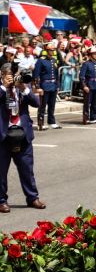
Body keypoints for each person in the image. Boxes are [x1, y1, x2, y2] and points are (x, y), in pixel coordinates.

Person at [0, 66, 46, 213]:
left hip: (23, 134)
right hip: (3, 135)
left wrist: (23, 87)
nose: (13, 78)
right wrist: (4, 87)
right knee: (1, 171)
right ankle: (1, 201)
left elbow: (36, 103)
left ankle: (32, 198)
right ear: (2, 75)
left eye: (15, 75)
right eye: (10, 76)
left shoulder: (21, 87)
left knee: (27, 169)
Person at [33, 40, 61, 129]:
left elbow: (56, 74)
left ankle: (51, 121)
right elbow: (36, 75)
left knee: (52, 105)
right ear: (46, 50)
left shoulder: (53, 60)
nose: (52, 51)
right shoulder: (41, 61)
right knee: (42, 106)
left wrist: (57, 85)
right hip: (44, 86)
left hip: (53, 85)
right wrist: (37, 87)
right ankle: (40, 123)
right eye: (51, 50)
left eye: (53, 50)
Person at [79, 46, 96, 124]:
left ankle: (93, 117)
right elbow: (82, 76)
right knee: (87, 103)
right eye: (95, 54)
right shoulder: (86, 64)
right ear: (90, 55)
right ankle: (86, 118)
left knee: (94, 103)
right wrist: (84, 86)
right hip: (89, 85)